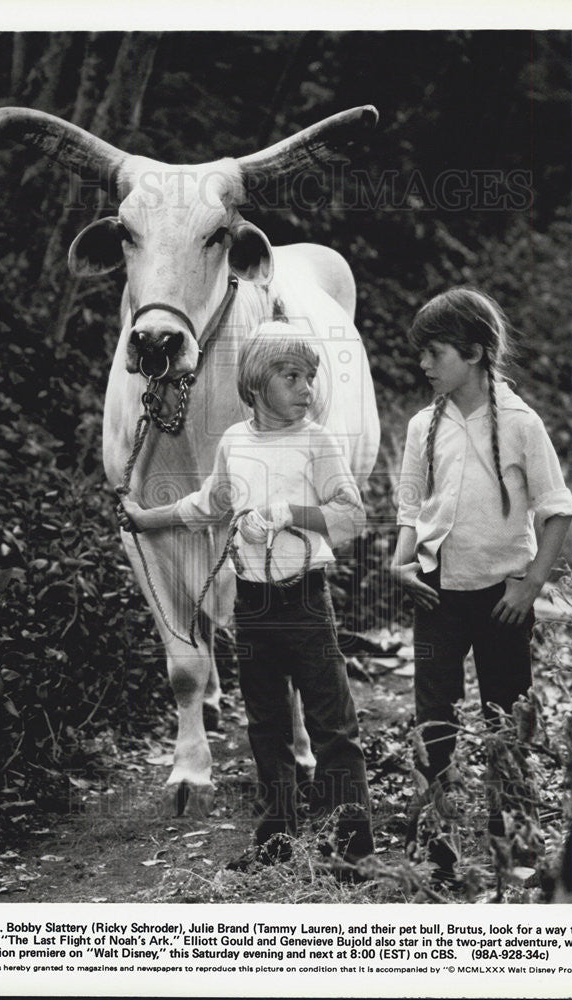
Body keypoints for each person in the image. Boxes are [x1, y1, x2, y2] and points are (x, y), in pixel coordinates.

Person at [120, 321, 374, 876]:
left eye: (311, 377)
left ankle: (352, 847)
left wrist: (289, 515)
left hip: (306, 600)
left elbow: (352, 517)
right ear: (257, 382)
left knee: (332, 724)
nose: (307, 389)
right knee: (264, 723)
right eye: (293, 376)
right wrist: (145, 518)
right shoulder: (235, 441)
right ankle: (277, 839)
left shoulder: (317, 440)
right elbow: (208, 505)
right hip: (253, 606)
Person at [390, 287, 572, 881]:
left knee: (506, 711)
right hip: (436, 592)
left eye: (435, 352)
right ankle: (436, 837)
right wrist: (401, 564)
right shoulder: (424, 425)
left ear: (473, 352)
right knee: (433, 716)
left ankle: (512, 835)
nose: (423, 365)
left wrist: (528, 587)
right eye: (421, 354)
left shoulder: (522, 423)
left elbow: (558, 511)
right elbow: (409, 508)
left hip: (503, 597)